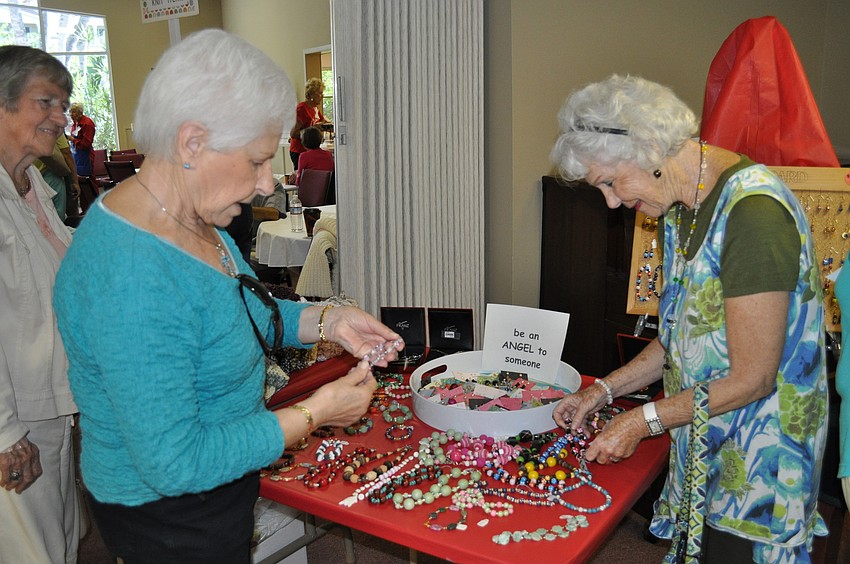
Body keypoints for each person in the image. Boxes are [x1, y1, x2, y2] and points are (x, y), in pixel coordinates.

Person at [52, 29, 402, 563]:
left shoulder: (189, 214)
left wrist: (327, 320)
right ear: (191, 142)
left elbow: (239, 310)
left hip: (222, 478)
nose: (267, 184)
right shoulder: (132, 277)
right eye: (257, 160)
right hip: (169, 514)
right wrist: (315, 412)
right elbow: (175, 463)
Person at [550, 75, 827, 562]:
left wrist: (642, 421)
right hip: (704, 447)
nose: (612, 202)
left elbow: (753, 378)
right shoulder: (680, 210)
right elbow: (679, 338)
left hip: (760, 471)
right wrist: (604, 390)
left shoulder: (753, 214)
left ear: (651, 148)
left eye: (611, 183)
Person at [0, 45, 80, 564]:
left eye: (65, 104)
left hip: (52, 406)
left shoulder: (33, 188)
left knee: (61, 543)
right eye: (45, 102)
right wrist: (5, 432)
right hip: (16, 421)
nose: (60, 117)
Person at [35, 134, 81, 221]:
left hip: (27, 177)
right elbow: (66, 153)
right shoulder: (52, 124)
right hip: (50, 173)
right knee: (57, 219)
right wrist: (75, 181)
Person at [289, 77, 329, 170]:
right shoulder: (302, 109)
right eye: (320, 93)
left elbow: (323, 121)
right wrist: (313, 128)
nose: (322, 96)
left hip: (310, 150)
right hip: (299, 151)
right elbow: (293, 133)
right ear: (312, 94)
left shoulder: (315, 109)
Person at [68, 102, 95, 176]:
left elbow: (86, 144)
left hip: (86, 157)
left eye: (73, 112)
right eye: (70, 112)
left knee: (88, 181)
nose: (71, 114)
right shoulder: (75, 124)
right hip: (76, 157)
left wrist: (73, 139)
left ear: (80, 113)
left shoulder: (87, 123)